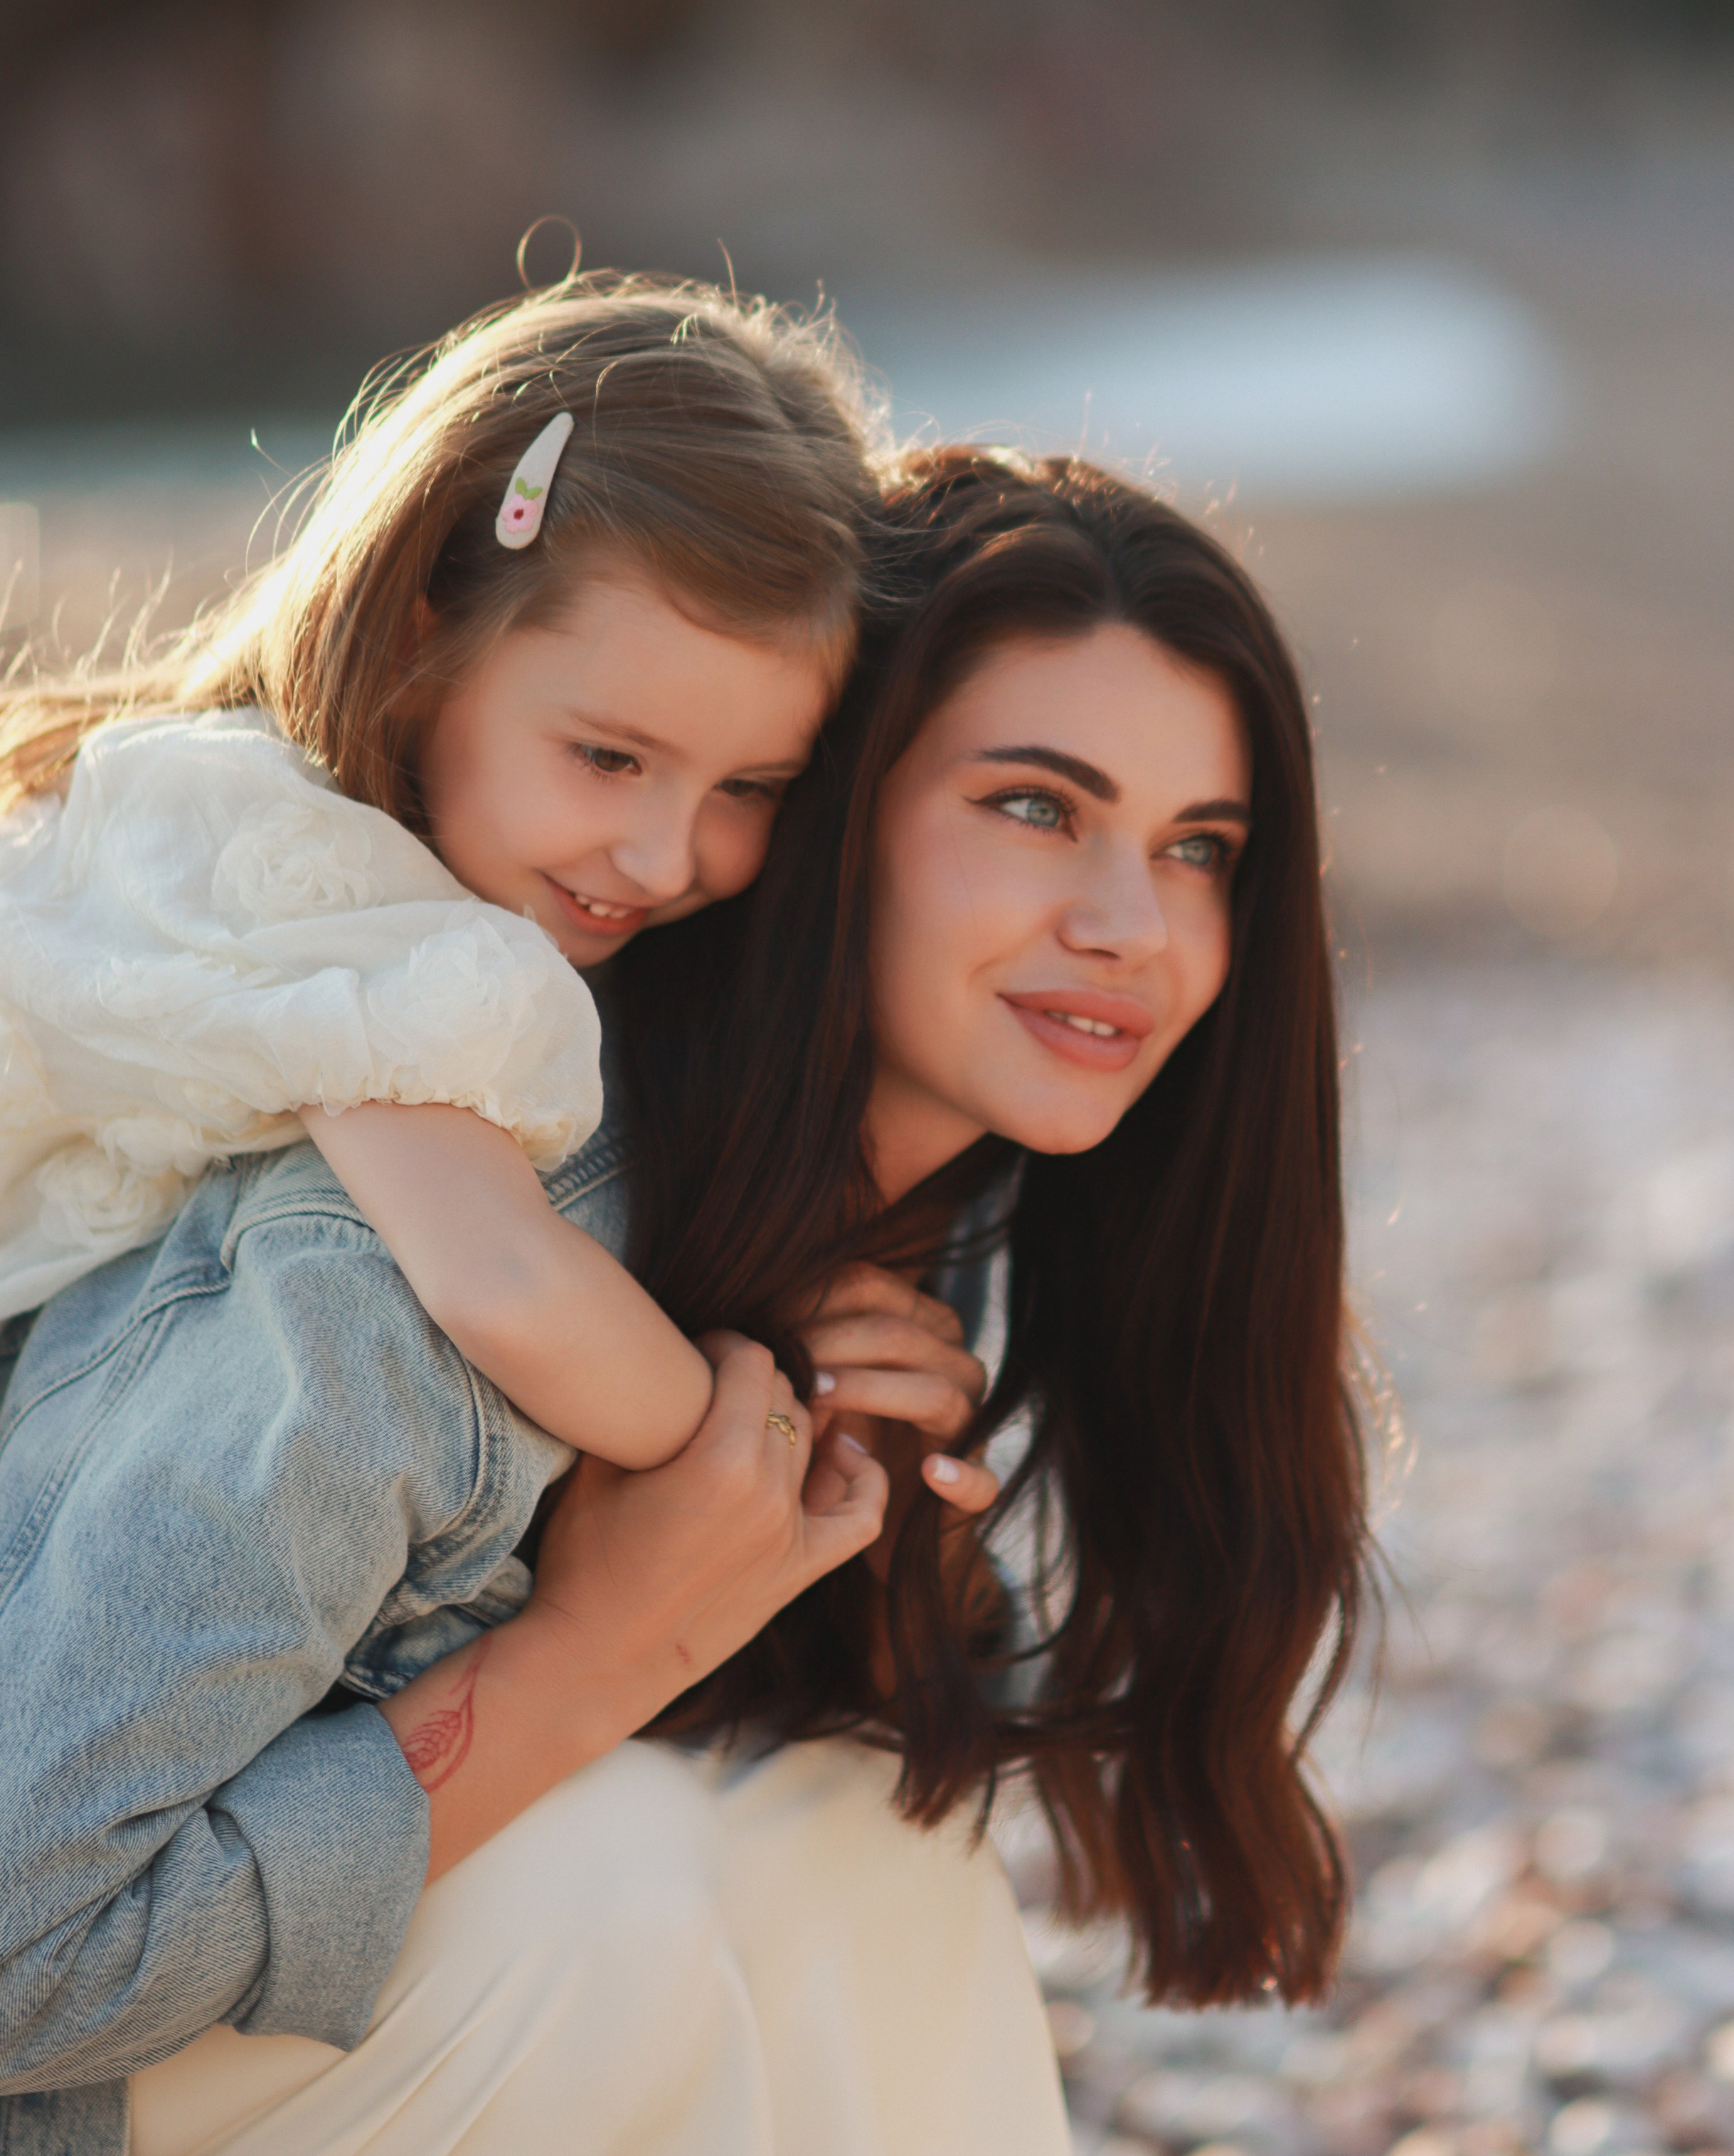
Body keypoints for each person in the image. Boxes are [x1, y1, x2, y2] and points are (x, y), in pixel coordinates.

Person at [0, 450, 1366, 2155]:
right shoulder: (415, 1261)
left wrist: (857, 1563)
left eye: (1199, 848)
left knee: (852, 1844)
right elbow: (23, 1951)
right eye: (1034, 805)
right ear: (824, 810)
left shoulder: (814, 1269)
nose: (1125, 925)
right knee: (617, 1895)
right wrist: (593, 1652)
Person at [0, 267, 882, 1477]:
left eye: (750, 788)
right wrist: (773, 1441)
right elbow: (505, 1284)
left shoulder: (260, 793)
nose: (665, 857)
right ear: (425, 633)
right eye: (611, 757)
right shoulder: (318, 875)